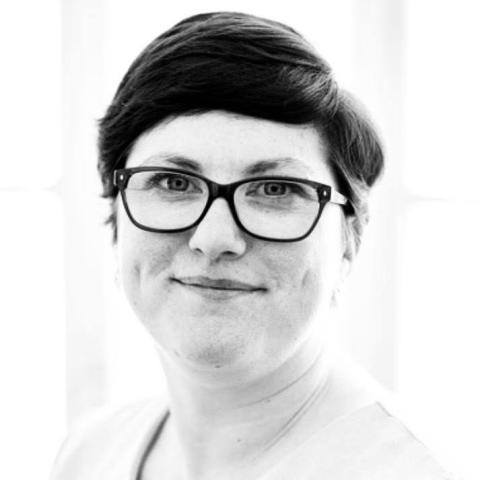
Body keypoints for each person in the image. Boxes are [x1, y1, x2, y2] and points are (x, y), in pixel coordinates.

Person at [51, 11, 454, 480]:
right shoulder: (89, 454)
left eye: (275, 190)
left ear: (349, 240)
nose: (214, 239)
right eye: (172, 182)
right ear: (115, 216)